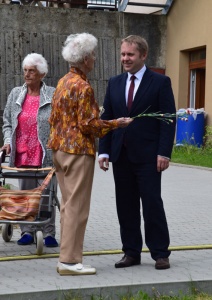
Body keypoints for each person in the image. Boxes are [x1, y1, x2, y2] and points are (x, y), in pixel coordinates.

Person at [47, 33, 132, 276]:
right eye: (93, 55)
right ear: (85, 59)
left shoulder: (63, 82)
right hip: (78, 151)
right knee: (77, 208)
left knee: (67, 206)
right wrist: (116, 123)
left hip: (59, 149)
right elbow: (88, 125)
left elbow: (54, 118)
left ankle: (67, 258)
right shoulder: (83, 86)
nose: (94, 58)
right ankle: (70, 262)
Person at [98, 35, 176, 270]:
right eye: (123, 54)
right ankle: (131, 252)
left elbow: (168, 119)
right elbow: (107, 119)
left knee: (152, 203)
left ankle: (160, 253)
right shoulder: (115, 82)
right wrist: (104, 152)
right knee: (126, 205)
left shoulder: (160, 82)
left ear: (143, 55)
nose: (125, 58)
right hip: (120, 155)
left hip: (149, 157)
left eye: (130, 54)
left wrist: (164, 152)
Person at [1, 53, 58, 248]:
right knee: (26, 192)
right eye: (25, 70)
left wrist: (55, 138)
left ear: (41, 73)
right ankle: (27, 230)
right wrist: (8, 141)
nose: (27, 74)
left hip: (45, 153)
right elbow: (7, 122)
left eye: (31, 71)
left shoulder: (52, 93)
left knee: (46, 193)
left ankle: (48, 232)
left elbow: (60, 121)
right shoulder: (16, 93)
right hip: (23, 151)